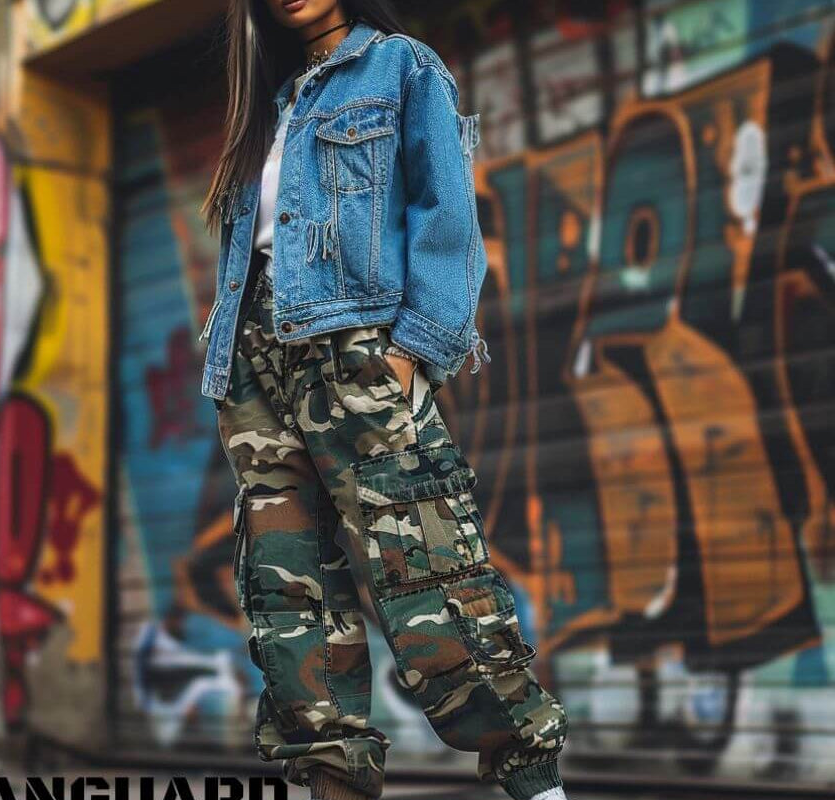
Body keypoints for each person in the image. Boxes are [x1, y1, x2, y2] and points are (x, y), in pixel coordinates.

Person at [198, 2, 569, 799]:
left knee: (431, 577)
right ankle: (332, 781)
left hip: (356, 352)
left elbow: (448, 211)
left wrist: (416, 348)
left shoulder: (401, 66)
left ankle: (536, 781)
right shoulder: (269, 104)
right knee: (289, 594)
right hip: (258, 368)